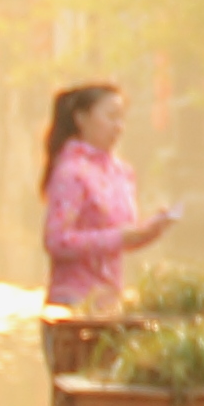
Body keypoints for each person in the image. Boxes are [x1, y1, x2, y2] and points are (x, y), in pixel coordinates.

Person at [39, 80, 177, 313]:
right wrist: (120, 236)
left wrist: (149, 231)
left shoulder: (121, 172)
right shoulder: (71, 172)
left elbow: (120, 239)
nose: (119, 127)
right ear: (80, 119)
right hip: (74, 304)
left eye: (122, 118)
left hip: (110, 303)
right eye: (111, 117)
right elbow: (56, 240)